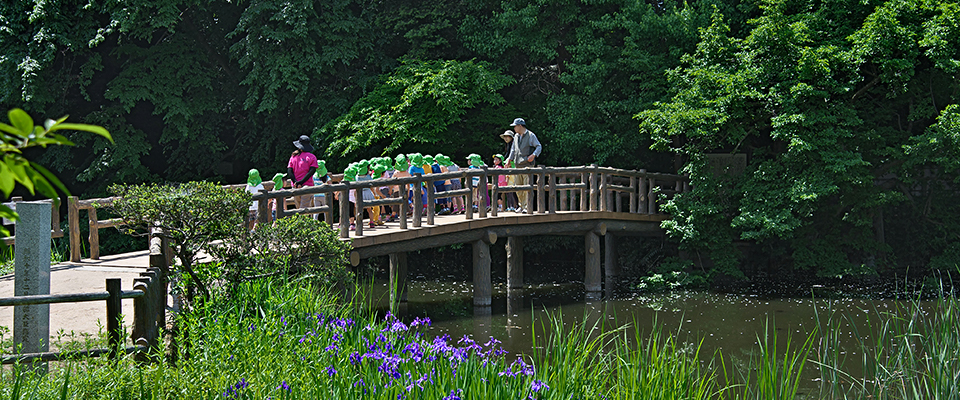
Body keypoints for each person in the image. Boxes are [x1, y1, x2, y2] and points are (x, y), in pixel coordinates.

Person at [505, 118, 542, 213]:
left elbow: (539, 146)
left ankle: (526, 206)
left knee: (527, 187)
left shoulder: (530, 135)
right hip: (517, 166)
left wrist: (534, 155)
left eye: (515, 126)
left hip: (527, 165)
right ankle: (521, 205)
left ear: (520, 126)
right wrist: (509, 159)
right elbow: (513, 150)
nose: (514, 128)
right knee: (517, 187)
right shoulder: (516, 137)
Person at [287, 135, 319, 210]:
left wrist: (295, 182)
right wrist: (301, 182)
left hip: (295, 186)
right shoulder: (312, 157)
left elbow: (290, 170)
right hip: (307, 185)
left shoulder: (293, 157)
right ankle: (304, 221)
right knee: (304, 209)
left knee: (299, 209)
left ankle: (301, 221)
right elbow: (311, 171)